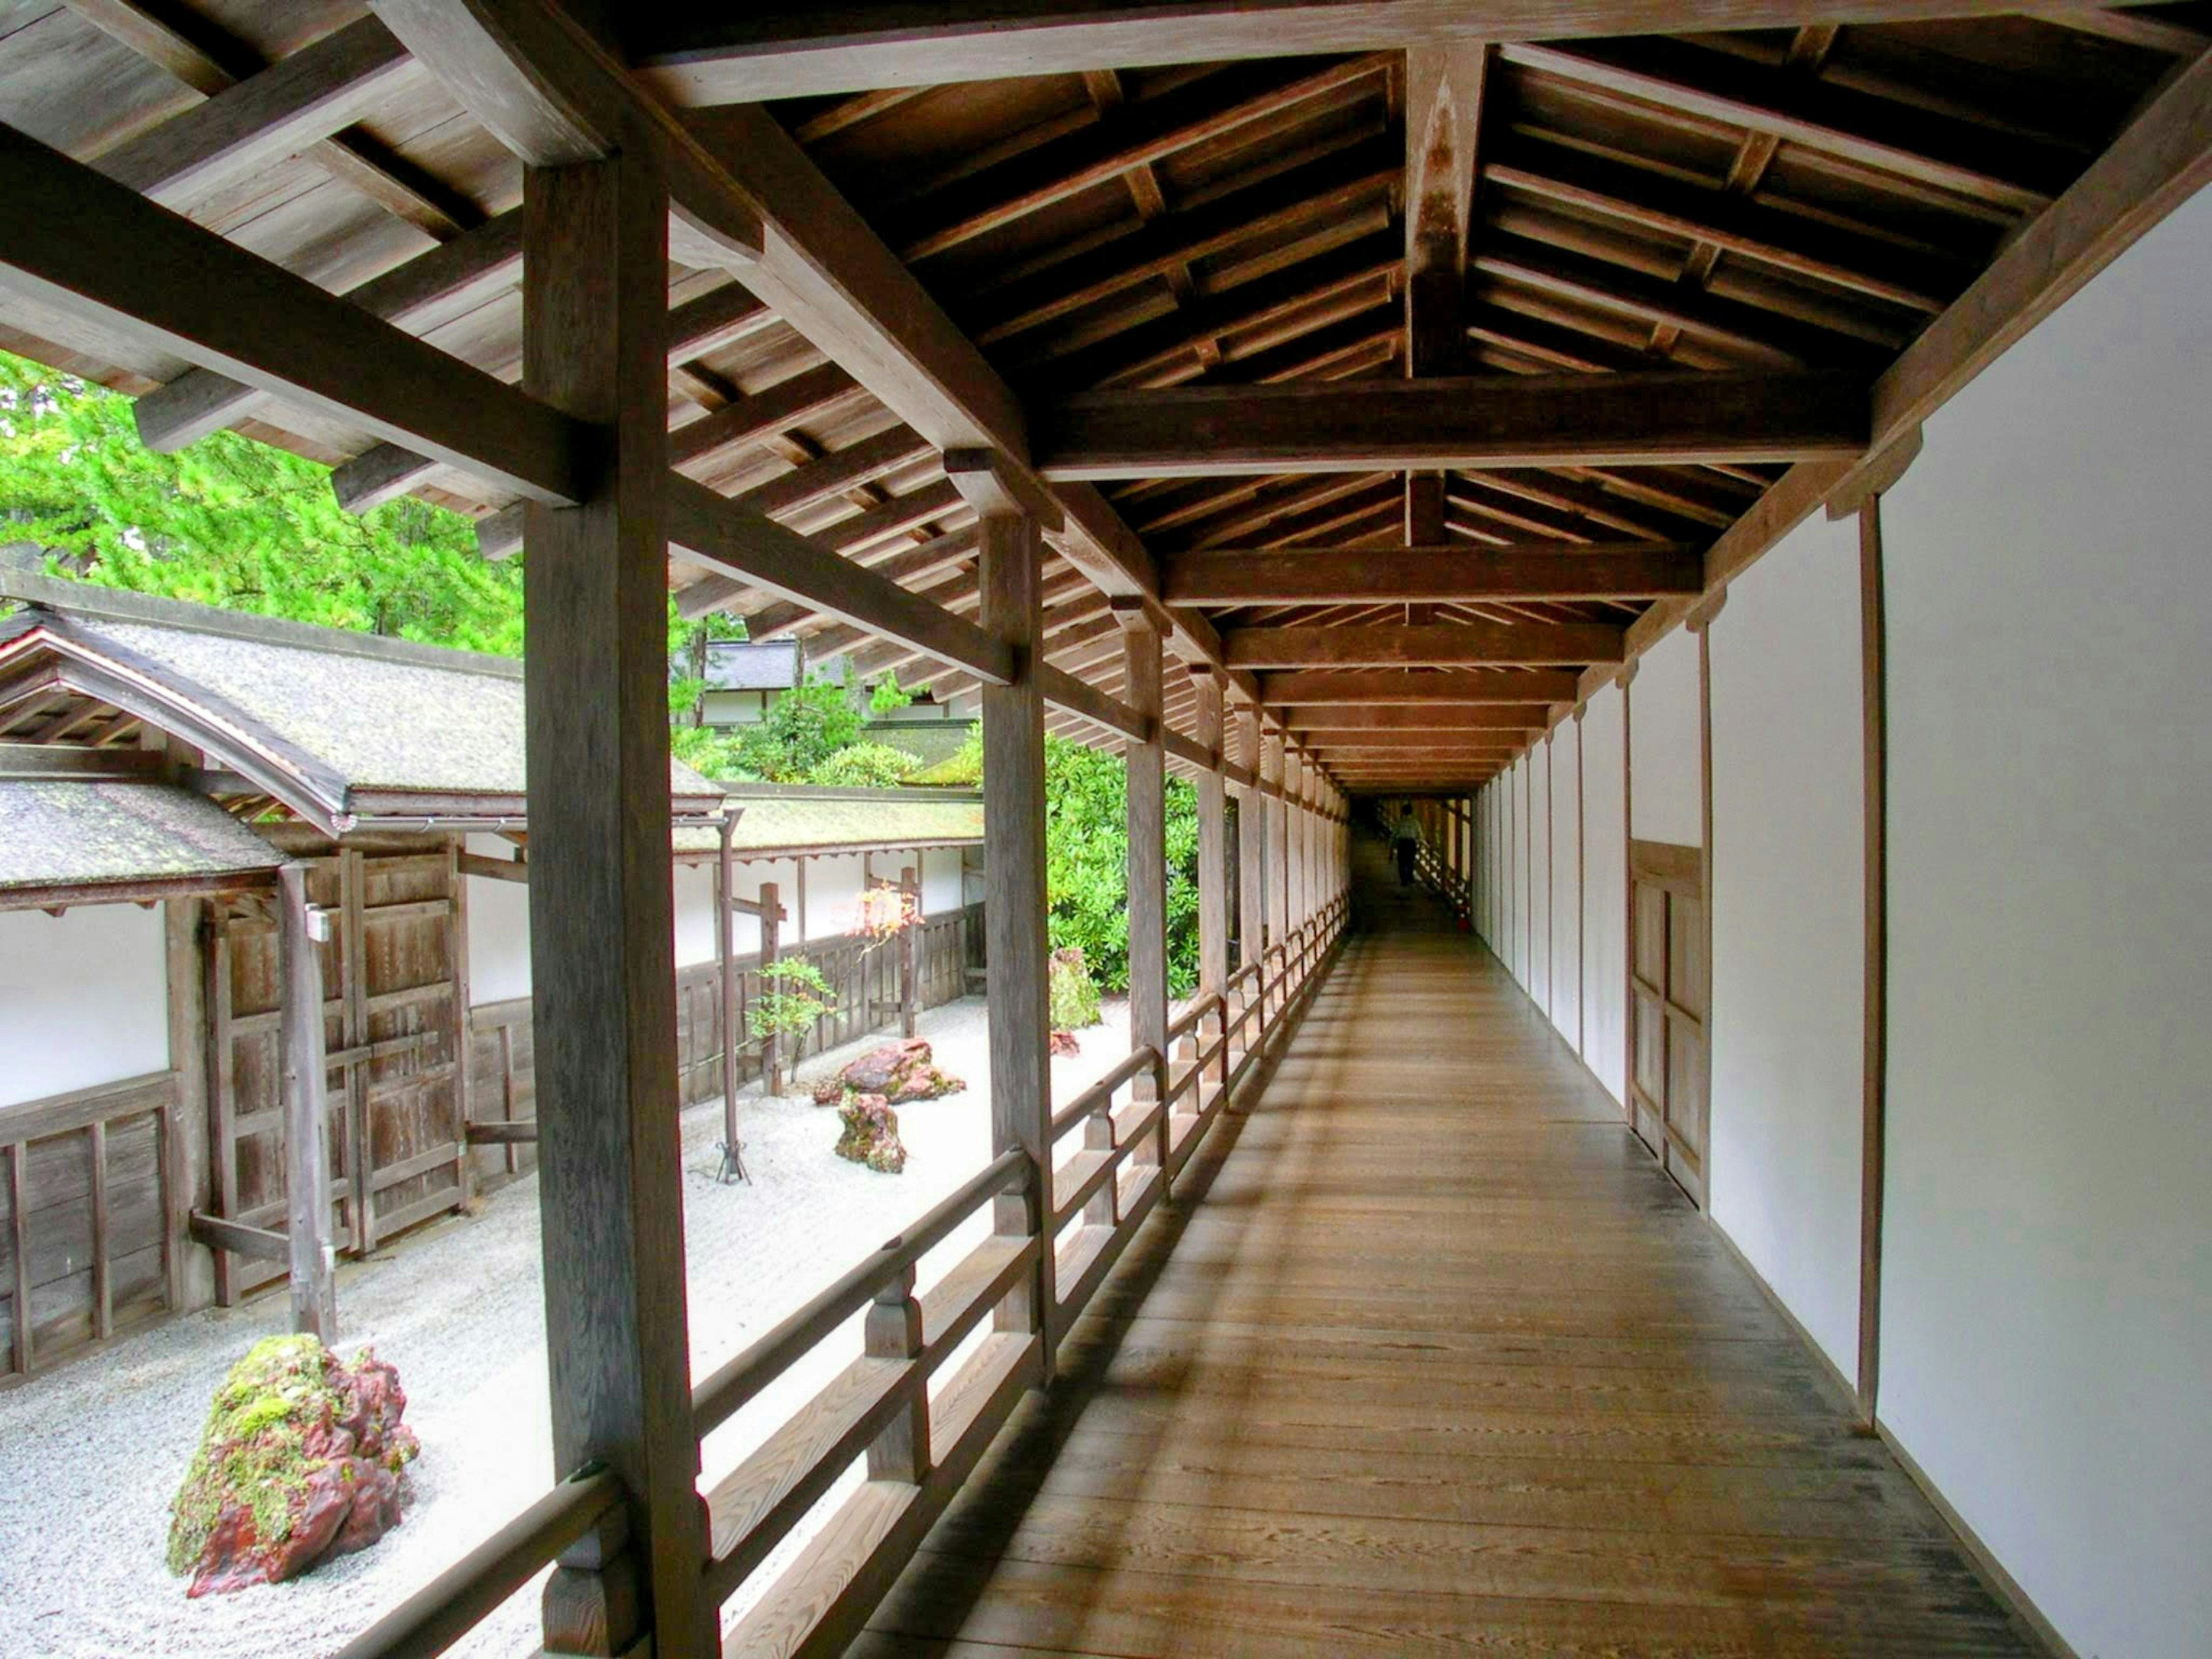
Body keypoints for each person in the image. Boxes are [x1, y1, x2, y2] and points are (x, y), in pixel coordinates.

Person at [1392, 802, 1421, 886]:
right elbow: (1420, 835)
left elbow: (1394, 835)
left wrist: (1391, 848)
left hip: (1402, 843)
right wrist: (1418, 844)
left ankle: (1404, 881)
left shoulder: (1400, 822)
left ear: (1403, 812)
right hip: (1411, 843)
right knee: (1410, 862)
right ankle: (1410, 878)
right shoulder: (1416, 822)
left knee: (1401, 863)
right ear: (1412, 812)